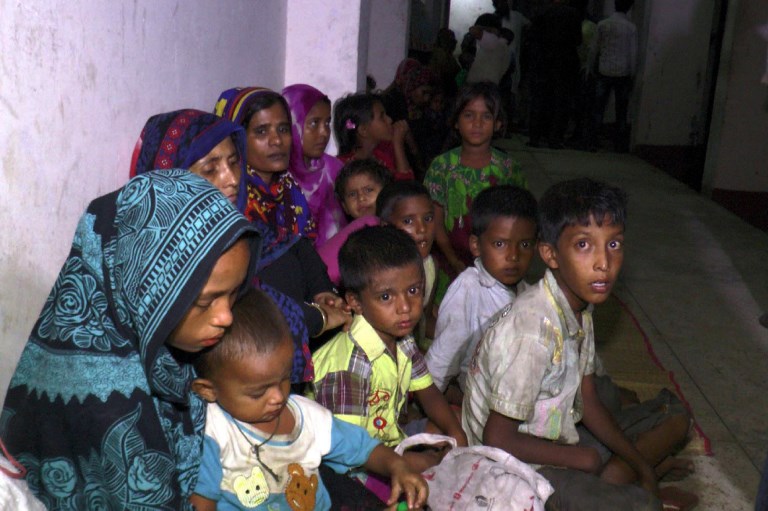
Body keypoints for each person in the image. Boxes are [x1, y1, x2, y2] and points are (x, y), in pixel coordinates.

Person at [1, 170, 260, 509]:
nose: (226, 316)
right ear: (146, 292)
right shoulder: (113, 419)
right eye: (204, 301)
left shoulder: (131, 327)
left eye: (233, 294)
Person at [462, 178, 668, 510]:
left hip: (553, 429)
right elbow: (497, 438)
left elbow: (587, 398)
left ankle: (624, 473)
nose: (604, 262)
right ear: (550, 254)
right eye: (584, 245)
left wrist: (643, 467)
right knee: (642, 505)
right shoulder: (532, 330)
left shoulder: (578, 305)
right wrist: (581, 459)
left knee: (657, 412)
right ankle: (616, 480)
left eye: (614, 245)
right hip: (515, 466)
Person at [131, 108, 326, 385]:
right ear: (170, 176)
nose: (232, 179)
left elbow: (292, 244)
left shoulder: (238, 229)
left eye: (234, 162)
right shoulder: (158, 253)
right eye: (210, 169)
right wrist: (317, 317)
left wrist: (322, 292)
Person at [190, 289, 428, 511]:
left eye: (284, 379)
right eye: (257, 393)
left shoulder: (308, 418)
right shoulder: (213, 432)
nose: (278, 396)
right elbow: (202, 503)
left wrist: (398, 466)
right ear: (208, 390)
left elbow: (363, 448)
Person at [215, 87, 351, 373]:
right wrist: (316, 315)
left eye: (283, 129)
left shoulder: (286, 190)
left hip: (302, 318)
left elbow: (301, 247)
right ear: (237, 139)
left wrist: (322, 291)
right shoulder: (231, 197)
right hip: (257, 337)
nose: (277, 141)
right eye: (261, 132)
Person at [312, 226, 467, 465]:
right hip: (354, 462)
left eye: (413, 290)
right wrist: (417, 462)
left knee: (450, 426)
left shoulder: (402, 339)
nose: (405, 307)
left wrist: (457, 434)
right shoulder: (349, 366)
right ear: (355, 301)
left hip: (390, 437)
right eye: (386, 297)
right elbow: (347, 450)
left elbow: (428, 392)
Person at [425, 185, 538, 405]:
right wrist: (438, 414)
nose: (513, 256)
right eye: (500, 244)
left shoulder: (530, 293)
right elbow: (441, 362)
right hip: (488, 403)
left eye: (524, 244)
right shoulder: (469, 291)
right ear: (476, 245)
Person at [424, 82, 527, 282]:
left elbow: (520, 222)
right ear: (456, 122)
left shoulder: (508, 169)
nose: (477, 123)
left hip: (498, 266)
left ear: (498, 124)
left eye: (486, 116)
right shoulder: (442, 166)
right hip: (450, 263)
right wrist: (453, 260)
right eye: (469, 115)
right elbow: (435, 221)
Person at [282, 84, 347, 246]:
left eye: (327, 123)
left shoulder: (335, 170)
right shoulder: (277, 176)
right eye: (314, 123)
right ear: (291, 124)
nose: (324, 132)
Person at [376, 181, 438, 349]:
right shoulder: (376, 275)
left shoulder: (430, 266)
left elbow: (424, 319)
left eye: (428, 218)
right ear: (386, 227)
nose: (422, 229)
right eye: (409, 221)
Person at [316, 159, 392, 285]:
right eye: (352, 194)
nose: (361, 198)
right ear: (344, 207)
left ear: (387, 192)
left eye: (368, 190)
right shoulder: (369, 224)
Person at [526, 0, 582, 149]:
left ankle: (535, 137)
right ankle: (555, 139)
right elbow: (578, 39)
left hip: (543, 62)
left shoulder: (541, 12)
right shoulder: (572, 14)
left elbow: (531, 37)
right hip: (564, 63)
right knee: (560, 102)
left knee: (539, 100)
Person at [587, 0, 638, 152]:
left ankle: (593, 141)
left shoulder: (603, 24)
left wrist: (590, 68)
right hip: (623, 73)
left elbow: (594, 48)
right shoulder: (631, 28)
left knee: (598, 108)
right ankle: (619, 145)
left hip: (604, 70)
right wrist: (633, 75)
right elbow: (633, 54)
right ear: (628, 8)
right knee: (621, 111)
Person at [333, 92, 414, 181]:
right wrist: (398, 144)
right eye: (382, 117)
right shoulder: (342, 166)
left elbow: (408, 190)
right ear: (363, 130)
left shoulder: (383, 153)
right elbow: (403, 189)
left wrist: (398, 144)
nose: (389, 120)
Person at [465, 14, 513, 86]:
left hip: (482, 88)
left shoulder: (492, 41)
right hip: (487, 88)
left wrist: (487, 29)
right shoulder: (501, 45)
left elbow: (473, 30)